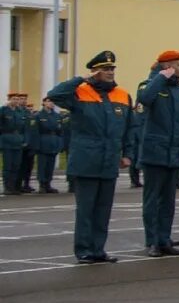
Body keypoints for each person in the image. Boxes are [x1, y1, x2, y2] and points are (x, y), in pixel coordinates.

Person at [48, 51, 136, 263]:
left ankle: (98, 249)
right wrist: (81, 79)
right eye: (105, 69)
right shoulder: (79, 92)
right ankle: (84, 250)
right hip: (86, 160)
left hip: (109, 160)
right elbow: (55, 94)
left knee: (103, 210)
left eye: (112, 69)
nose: (109, 72)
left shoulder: (122, 94)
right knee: (86, 209)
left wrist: (128, 154)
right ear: (95, 71)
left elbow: (129, 128)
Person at [137, 50, 179, 256]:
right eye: (178, 65)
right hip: (155, 152)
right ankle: (152, 241)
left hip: (174, 152)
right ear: (167, 67)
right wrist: (160, 77)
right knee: (152, 199)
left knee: (168, 200)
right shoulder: (150, 85)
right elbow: (145, 98)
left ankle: (164, 238)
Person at [31, 97, 64, 194]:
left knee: (50, 165)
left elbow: (60, 131)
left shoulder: (57, 116)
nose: (51, 103)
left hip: (53, 142)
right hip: (43, 142)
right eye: (49, 101)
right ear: (44, 103)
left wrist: (60, 143)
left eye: (52, 102)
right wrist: (36, 146)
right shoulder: (39, 116)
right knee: (42, 165)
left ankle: (48, 184)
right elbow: (35, 132)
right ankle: (42, 184)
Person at [2, 91, 33, 195]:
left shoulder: (20, 112)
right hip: (7, 140)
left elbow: (26, 128)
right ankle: (7, 187)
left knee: (16, 165)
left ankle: (15, 187)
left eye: (16, 99)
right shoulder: (4, 111)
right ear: (9, 100)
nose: (15, 101)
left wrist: (25, 140)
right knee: (8, 166)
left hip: (18, 141)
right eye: (13, 99)